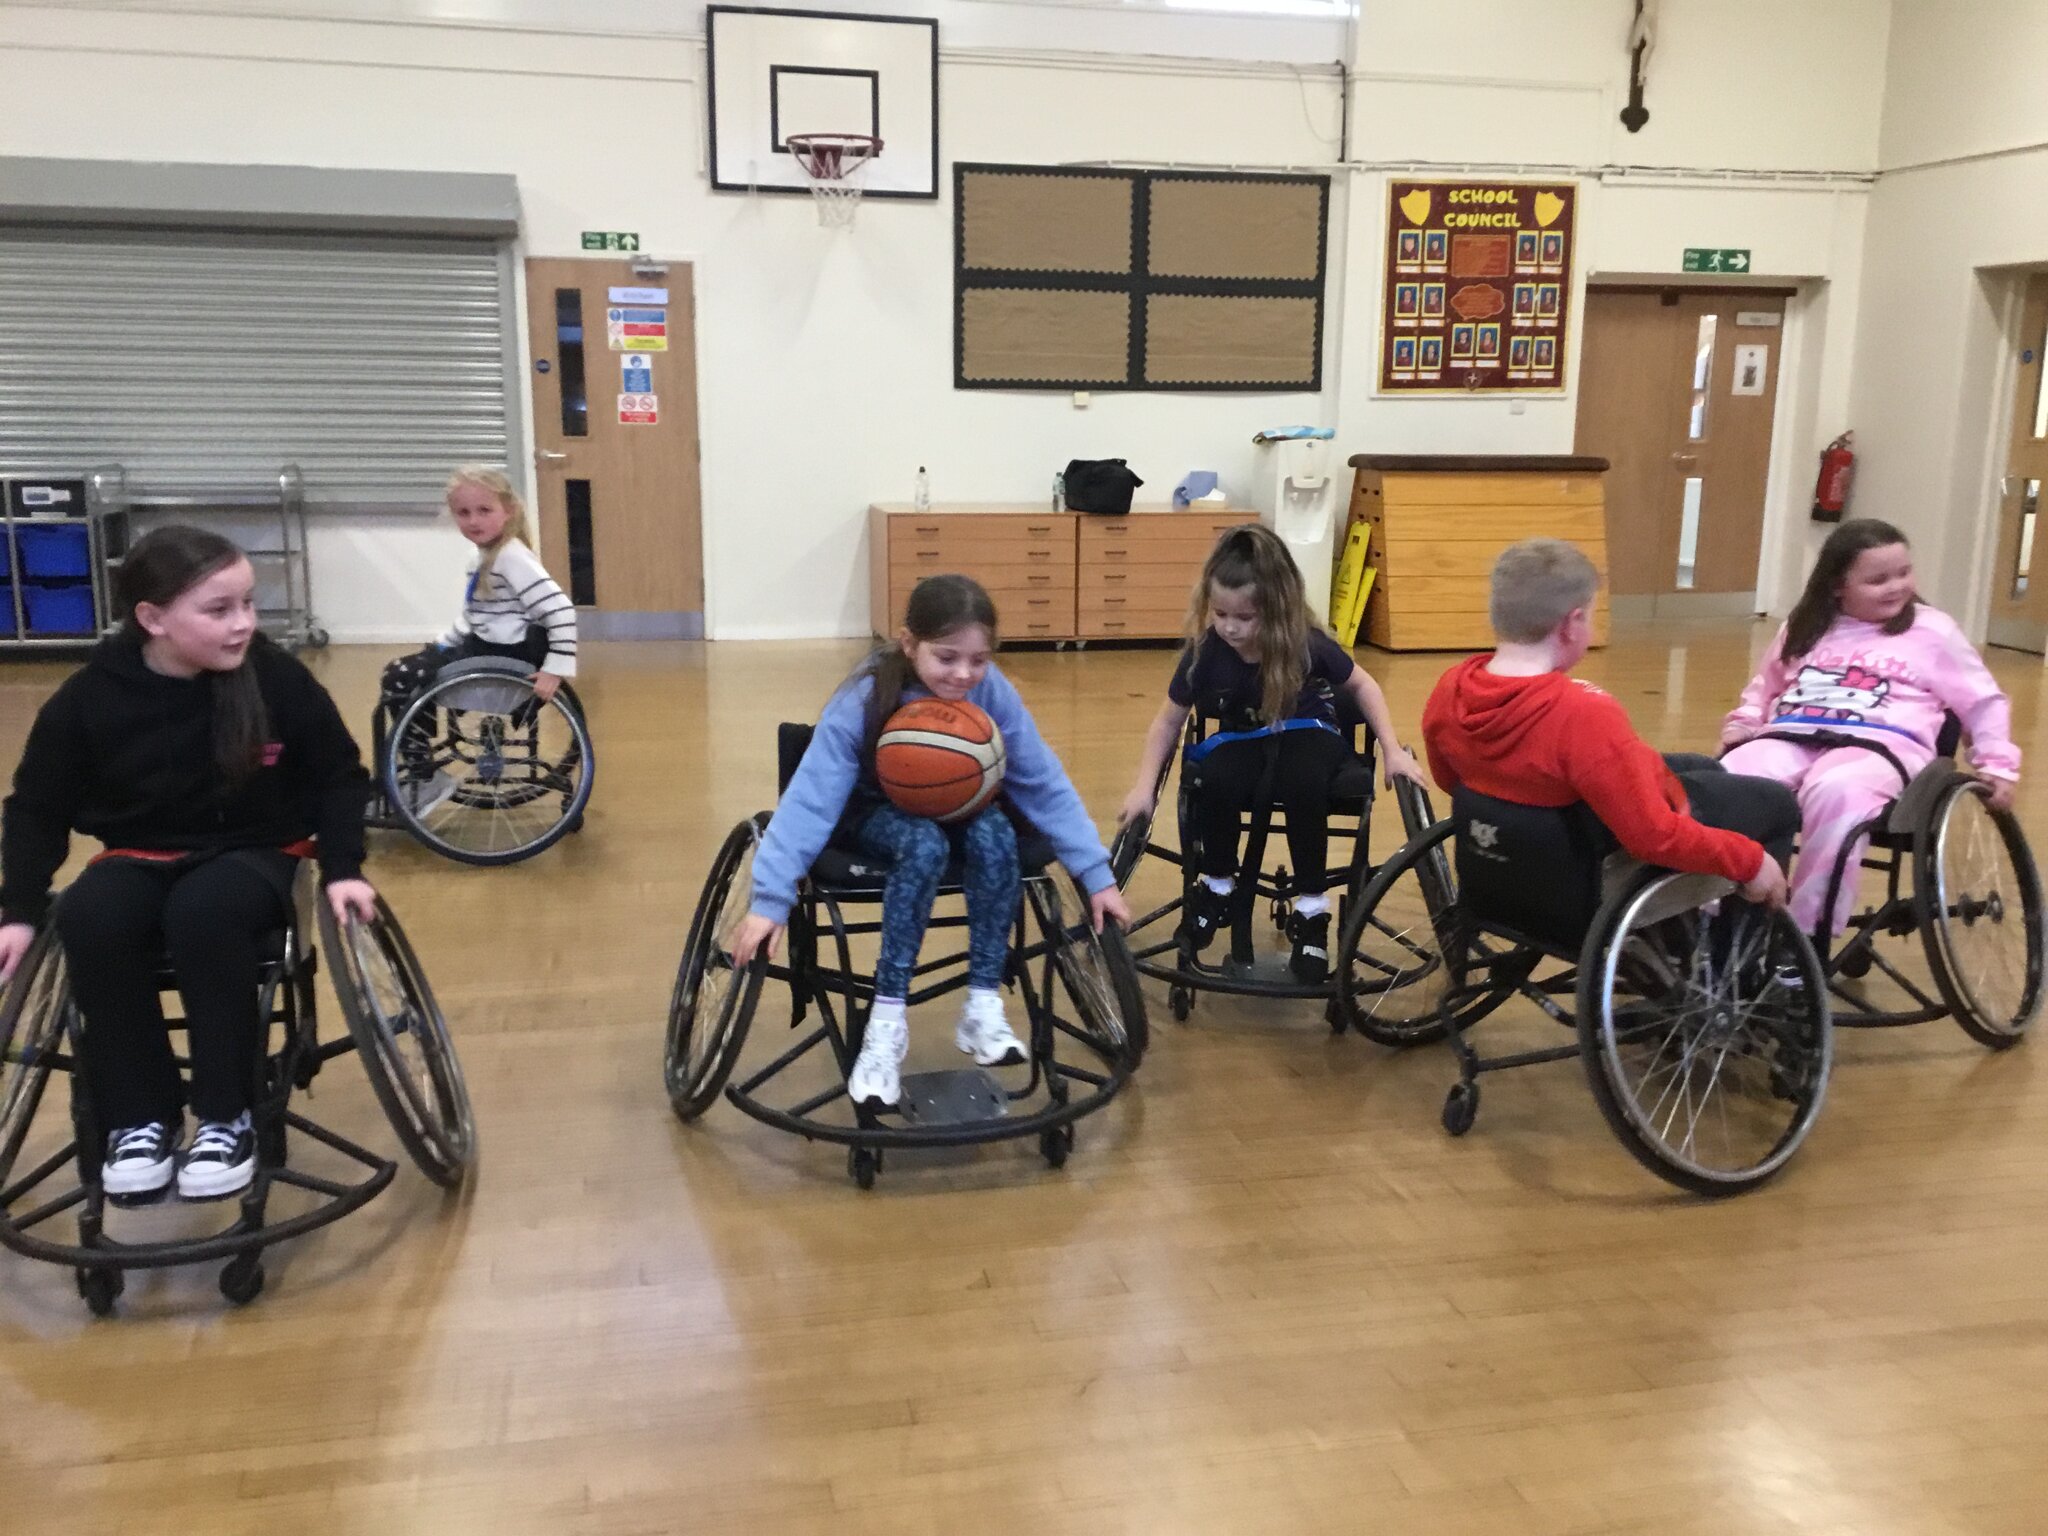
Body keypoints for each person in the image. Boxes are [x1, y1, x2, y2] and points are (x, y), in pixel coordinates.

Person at [0, 526, 375, 1201]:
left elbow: (341, 778)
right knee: (90, 915)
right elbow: (35, 808)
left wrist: (345, 867)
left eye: (248, 605)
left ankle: (226, 1114)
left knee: (204, 911)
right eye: (219, 610)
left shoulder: (273, 678)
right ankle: (141, 1116)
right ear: (152, 619)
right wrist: (20, 911)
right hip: (142, 852)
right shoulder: (91, 698)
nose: (243, 625)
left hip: (258, 851)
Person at [729, 575, 1131, 1109]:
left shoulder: (991, 693)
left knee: (995, 831)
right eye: (947, 658)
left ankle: (982, 1005)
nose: (964, 674)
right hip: (871, 813)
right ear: (908, 642)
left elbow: (1042, 781)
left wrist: (1095, 874)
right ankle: (885, 1025)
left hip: (960, 809)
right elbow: (811, 798)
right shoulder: (868, 693)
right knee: (923, 844)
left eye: (979, 659)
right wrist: (770, 899)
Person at [1119, 523, 1424, 983]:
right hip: (1244, 739)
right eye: (1220, 613)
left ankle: (1311, 909)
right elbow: (1168, 720)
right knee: (1215, 775)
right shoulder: (1207, 652)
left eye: (1245, 617)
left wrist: (1391, 749)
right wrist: (1144, 787)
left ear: (1277, 608)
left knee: (1302, 779)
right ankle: (1217, 886)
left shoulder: (1305, 642)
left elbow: (1362, 683)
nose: (1230, 627)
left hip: (1309, 731)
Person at [1422, 538, 1797, 909]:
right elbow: (1652, 838)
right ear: (1573, 623)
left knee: (1704, 768)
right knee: (1776, 803)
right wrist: (1750, 861)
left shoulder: (1450, 688)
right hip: (1588, 872)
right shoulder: (1582, 712)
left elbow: (1449, 780)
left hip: (1508, 862)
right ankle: (1735, 956)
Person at [1721, 518, 2020, 936]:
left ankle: (1805, 934)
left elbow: (1983, 701)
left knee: (1836, 791)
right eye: (1878, 580)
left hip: (1882, 744)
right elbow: (1764, 687)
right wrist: (1745, 723)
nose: (1896, 586)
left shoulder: (1933, 631)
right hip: (1793, 731)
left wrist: (1996, 761)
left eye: (1903, 573)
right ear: (1836, 586)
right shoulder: (1805, 626)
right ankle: (1712, 916)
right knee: (1728, 783)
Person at [381, 467, 577, 805]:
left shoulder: (512, 557)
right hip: (483, 645)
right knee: (406, 670)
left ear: (508, 510)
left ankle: (424, 774)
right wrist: (442, 644)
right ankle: (420, 765)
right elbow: (477, 617)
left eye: (484, 511)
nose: (473, 521)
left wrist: (555, 670)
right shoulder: (484, 555)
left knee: (399, 676)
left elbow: (560, 611)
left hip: (504, 655)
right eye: (463, 513)